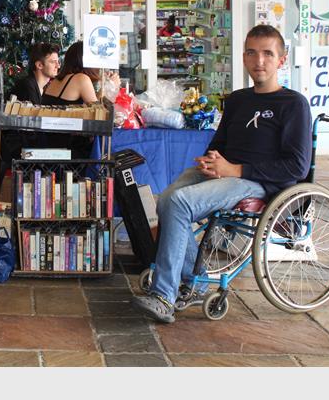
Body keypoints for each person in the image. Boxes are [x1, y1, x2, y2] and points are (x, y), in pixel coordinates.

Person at [131, 24, 312, 324]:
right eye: (252, 53)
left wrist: (234, 169)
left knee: (180, 203)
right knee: (165, 200)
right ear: (243, 57)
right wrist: (211, 160)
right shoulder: (238, 100)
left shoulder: (293, 104)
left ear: (282, 60)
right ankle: (194, 280)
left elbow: (297, 166)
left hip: (259, 183)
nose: (259, 61)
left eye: (268, 53)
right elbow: (219, 144)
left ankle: (163, 296)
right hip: (225, 173)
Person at [0, 43, 61, 209]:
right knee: (65, 154)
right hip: (18, 147)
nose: (58, 65)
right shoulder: (27, 86)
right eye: (53, 62)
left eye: (58, 61)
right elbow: (35, 123)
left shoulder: (39, 86)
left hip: (23, 142)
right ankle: (43, 207)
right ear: (39, 65)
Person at [40, 40, 103, 159]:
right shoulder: (81, 79)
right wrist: (110, 88)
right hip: (66, 152)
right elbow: (98, 115)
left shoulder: (56, 80)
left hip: (48, 144)